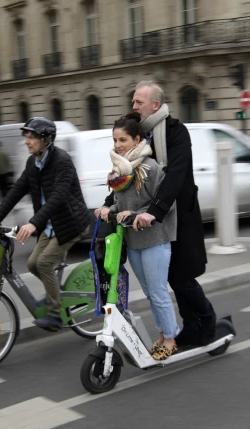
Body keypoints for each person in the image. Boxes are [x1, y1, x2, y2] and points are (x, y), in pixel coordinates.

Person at [97, 80, 217, 347]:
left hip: (178, 215)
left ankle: (207, 320)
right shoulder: (138, 135)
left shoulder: (175, 132)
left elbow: (175, 175)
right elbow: (124, 179)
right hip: (151, 218)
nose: (134, 105)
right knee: (168, 281)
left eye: (139, 102)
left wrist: (155, 211)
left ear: (156, 105)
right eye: (134, 102)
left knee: (181, 278)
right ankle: (188, 328)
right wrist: (108, 204)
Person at [0, 117, 90, 332]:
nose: (27, 141)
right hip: (50, 224)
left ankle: (55, 316)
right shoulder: (32, 163)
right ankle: (56, 294)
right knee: (32, 264)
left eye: (32, 137)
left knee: (44, 263)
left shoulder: (61, 161)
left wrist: (33, 224)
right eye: (26, 136)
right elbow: (17, 190)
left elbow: (59, 196)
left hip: (70, 223)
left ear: (46, 140)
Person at [100, 112, 179, 360]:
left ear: (137, 139)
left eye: (123, 140)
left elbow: (165, 205)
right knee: (148, 292)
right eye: (115, 140)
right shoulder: (118, 171)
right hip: (133, 241)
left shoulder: (150, 168)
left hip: (155, 239)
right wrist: (107, 210)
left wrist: (135, 213)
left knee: (157, 291)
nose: (117, 145)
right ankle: (162, 332)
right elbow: (119, 202)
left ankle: (170, 337)